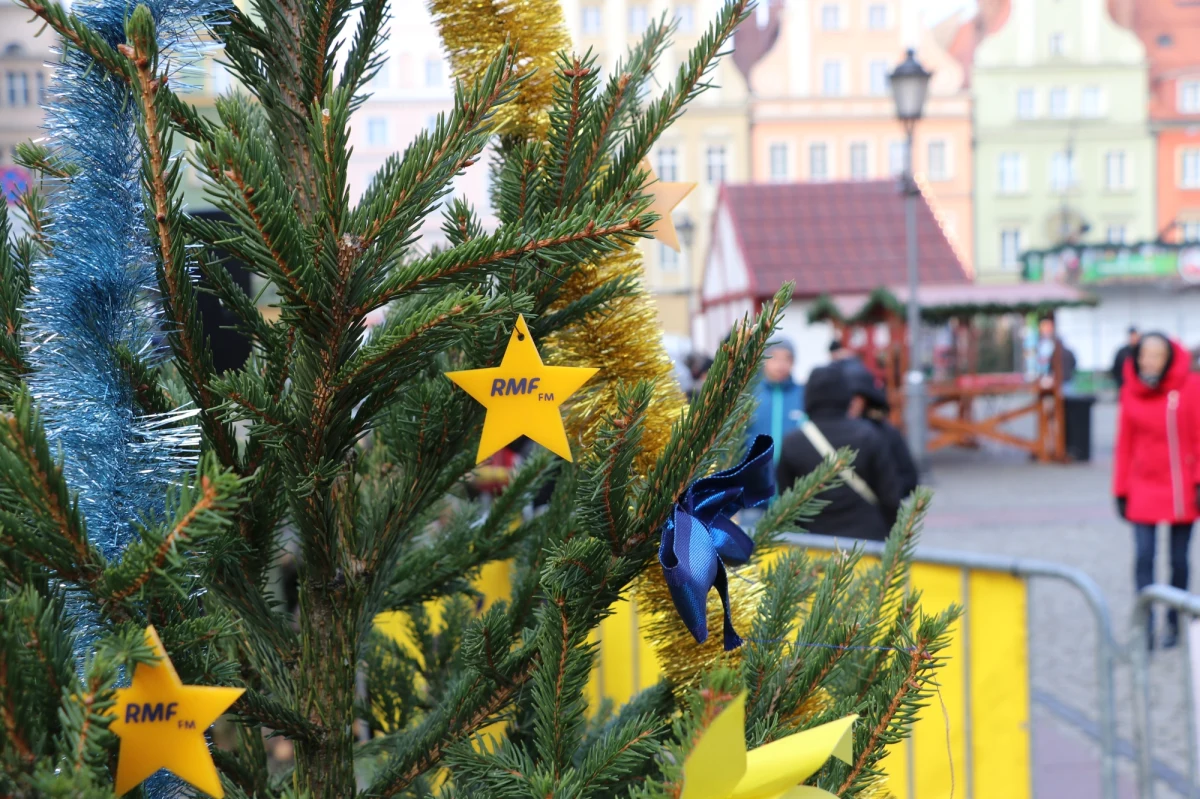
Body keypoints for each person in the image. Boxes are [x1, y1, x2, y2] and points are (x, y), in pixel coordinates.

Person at [1113, 333, 1200, 649]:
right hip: (1143, 486)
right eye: (1144, 355)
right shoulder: (1131, 392)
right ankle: (1145, 625)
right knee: (1144, 557)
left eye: (1156, 355)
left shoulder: (1190, 387)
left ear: (1169, 358)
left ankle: (1176, 621)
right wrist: (1120, 489)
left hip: (1180, 487)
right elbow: (1125, 443)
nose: (1149, 361)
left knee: (1179, 560)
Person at [777, 365, 902, 540]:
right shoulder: (868, 435)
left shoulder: (793, 442)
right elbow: (890, 496)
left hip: (812, 546)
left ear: (808, 396)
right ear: (845, 395)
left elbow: (786, 503)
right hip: (866, 541)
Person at [847, 369, 919, 500]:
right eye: (847, 396)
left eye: (856, 397)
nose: (850, 402)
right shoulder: (833, 431)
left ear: (866, 399)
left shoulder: (885, 432)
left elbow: (909, 478)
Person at [749, 340, 805, 463]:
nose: (780, 365)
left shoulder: (803, 395)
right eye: (774, 358)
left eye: (786, 359)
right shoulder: (750, 395)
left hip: (797, 476)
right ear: (764, 360)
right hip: (755, 475)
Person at [1110, 327, 1139, 391]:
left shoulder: (1142, 351)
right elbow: (1116, 369)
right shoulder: (1122, 352)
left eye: (1135, 335)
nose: (1133, 338)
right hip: (1125, 385)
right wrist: (1121, 383)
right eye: (1131, 336)